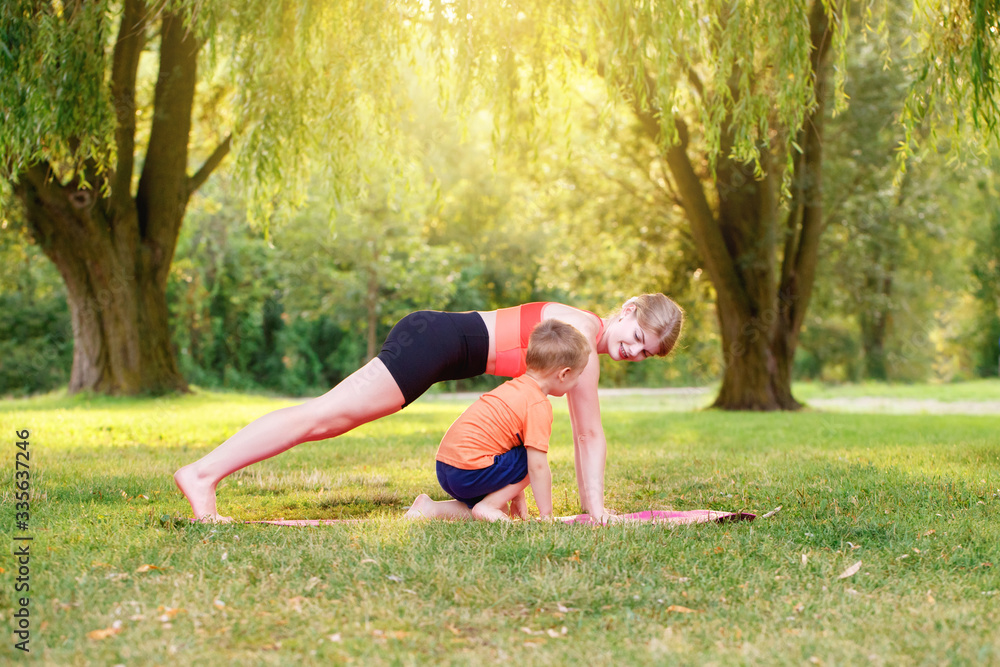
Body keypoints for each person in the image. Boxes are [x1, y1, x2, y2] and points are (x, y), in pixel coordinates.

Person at [174, 294, 683, 522]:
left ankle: (205, 475)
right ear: (628, 310)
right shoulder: (580, 339)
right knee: (324, 416)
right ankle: (203, 475)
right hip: (435, 342)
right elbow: (588, 435)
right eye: (637, 336)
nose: (634, 351)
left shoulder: (582, 336)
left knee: (326, 419)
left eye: (646, 352)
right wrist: (596, 513)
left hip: (434, 339)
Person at [404, 319, 591, 522]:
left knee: (496, 510)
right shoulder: (537, 404)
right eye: (579, 375)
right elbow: (535, 466)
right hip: (470, 471)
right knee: (529, 458)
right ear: (564, 374)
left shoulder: (514, 387)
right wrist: (547, 516)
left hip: (447, 468)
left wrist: (516, 498)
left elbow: (506, 447)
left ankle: (430, 508)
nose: (578, 381)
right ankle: (489, 505)